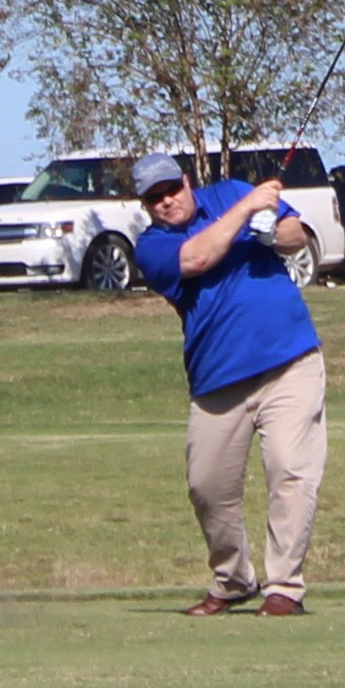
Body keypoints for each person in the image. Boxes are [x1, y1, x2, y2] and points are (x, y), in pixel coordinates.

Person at [129, 151, 329, 617]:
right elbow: (197, 258)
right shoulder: (151, 247)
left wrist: (271, 231)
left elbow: (296, 235)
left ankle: (284, 588)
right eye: (154, 198)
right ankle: (234, 579)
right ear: (145, 205)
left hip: (290, 361)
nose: (166, 202)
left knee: (290, 470)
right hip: (218, 378)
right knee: (207, 487)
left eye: (171, 190)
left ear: (186, 181)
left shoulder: (231, 192)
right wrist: (246, 213)